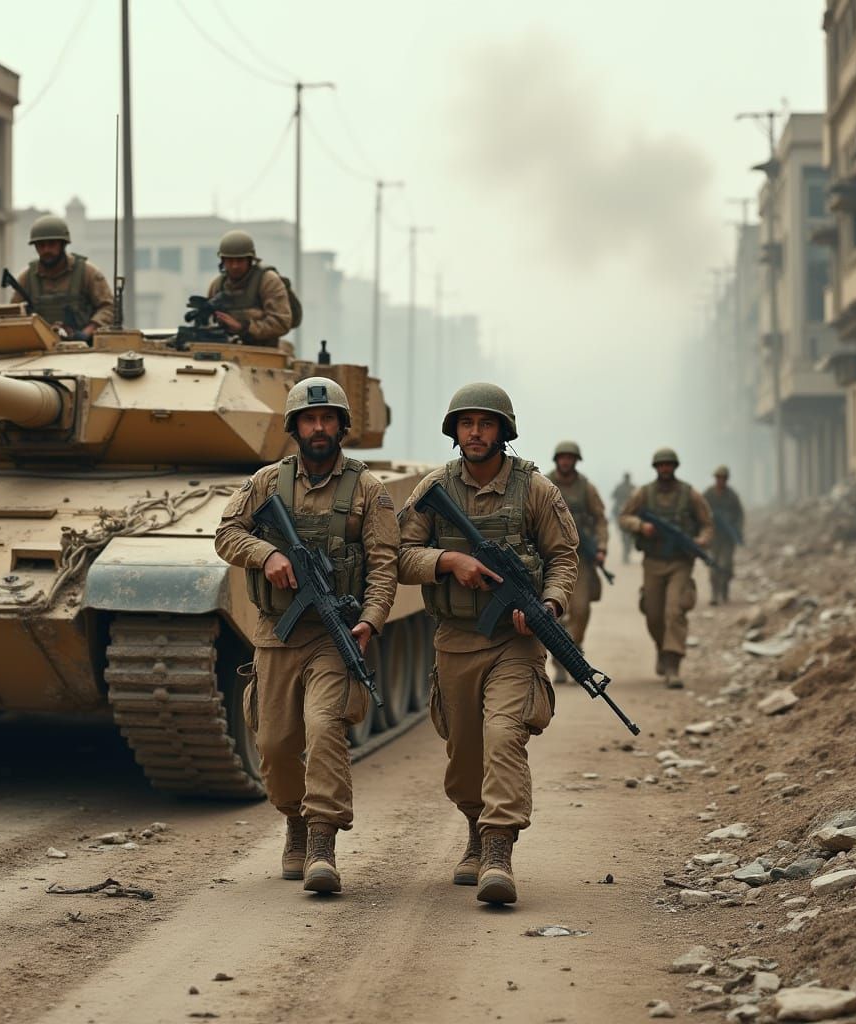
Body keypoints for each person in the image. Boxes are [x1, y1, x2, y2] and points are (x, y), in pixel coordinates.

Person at [214, 377, 398, 894]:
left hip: (334, 635)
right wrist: (267, 554)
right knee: (273, 743)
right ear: (295, 427)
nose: (319, 428)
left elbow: (384, 566)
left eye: (328, 419)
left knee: (323, 730)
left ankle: (321, 841)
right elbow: (227, 534)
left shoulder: (368, 490)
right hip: (276, 632)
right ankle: (294, 819)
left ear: (342, 426)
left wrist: (372, 619)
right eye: (309, 420)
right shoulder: (268, 483)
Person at [398, 383, 578, 905]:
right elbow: (401, 556)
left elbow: (564, 557)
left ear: (504, 431)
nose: (475, 433)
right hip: (455, 640)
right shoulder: (434, 489)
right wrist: (449, 562)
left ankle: (498, 849)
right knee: (464, 751)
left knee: (503, 736)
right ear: (455, 430)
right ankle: (475, 828)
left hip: (513, 643)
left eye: (487, 423)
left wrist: (549, 605)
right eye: (467, 423)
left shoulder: (535, 490)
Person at [618, 448, 713, 689]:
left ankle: (673, 664)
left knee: (674, 611)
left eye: (669, 465)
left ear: (675, 466)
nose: (665, 469)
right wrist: (641, 526)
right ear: (656, 468)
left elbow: (707, 524)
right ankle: (662, 648)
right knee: (653, 614)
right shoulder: (645, 493)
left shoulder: (689, 494)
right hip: (653, 561)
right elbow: (624, 517)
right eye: (661, 465)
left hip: (680, 562)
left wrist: (701, 540)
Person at [548, 440, 608, 683]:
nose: (565, 461)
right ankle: (563, 659)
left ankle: (572, 649)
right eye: (562, 457)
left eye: (570, 457)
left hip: (580, 557)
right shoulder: (544, 483)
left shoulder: (586, 488)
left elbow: (601, 519)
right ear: (557, 459)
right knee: (553, 612)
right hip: (549, 556)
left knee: (580, 609)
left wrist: (602, 547)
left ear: (576, 460)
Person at [13, 215, 114, 341]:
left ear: (63, 244)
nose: (46, 250)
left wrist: (86, 333)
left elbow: (108, 307)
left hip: (83, 350)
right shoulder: (26, 278)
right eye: (41, 245)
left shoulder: (87, 273)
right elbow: (13, 315)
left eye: (51, 244)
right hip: (40, 351)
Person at [207, 231, 293, 346]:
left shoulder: (268, 281)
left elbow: (281, 323)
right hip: (226, 351)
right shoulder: (217, 285)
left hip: (264, 353)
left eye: (240, 260)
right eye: (230, 260)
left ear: (250, 259)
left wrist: (242, 327)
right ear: (223, 260)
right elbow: (209, 322)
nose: (235, 266)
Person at [703, 465, 744, 605]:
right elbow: (700, 511)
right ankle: (714, 594)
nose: (721, 481)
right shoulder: (708, 494)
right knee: (713, 565)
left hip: (727, 537)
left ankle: (724, 591)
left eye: (723, 478)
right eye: (719, 478)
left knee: (725, 565)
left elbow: (739, 514)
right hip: (713, 536)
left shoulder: (732, 495)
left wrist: (736, 529)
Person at [611, 472, 635, 563]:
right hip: (621, 515)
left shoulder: (630, 487)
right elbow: (613, 496)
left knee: (628, 537)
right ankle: (626, 554)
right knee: (626, 536)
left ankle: (626, 553)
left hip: (629, 515)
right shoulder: (630, 487)